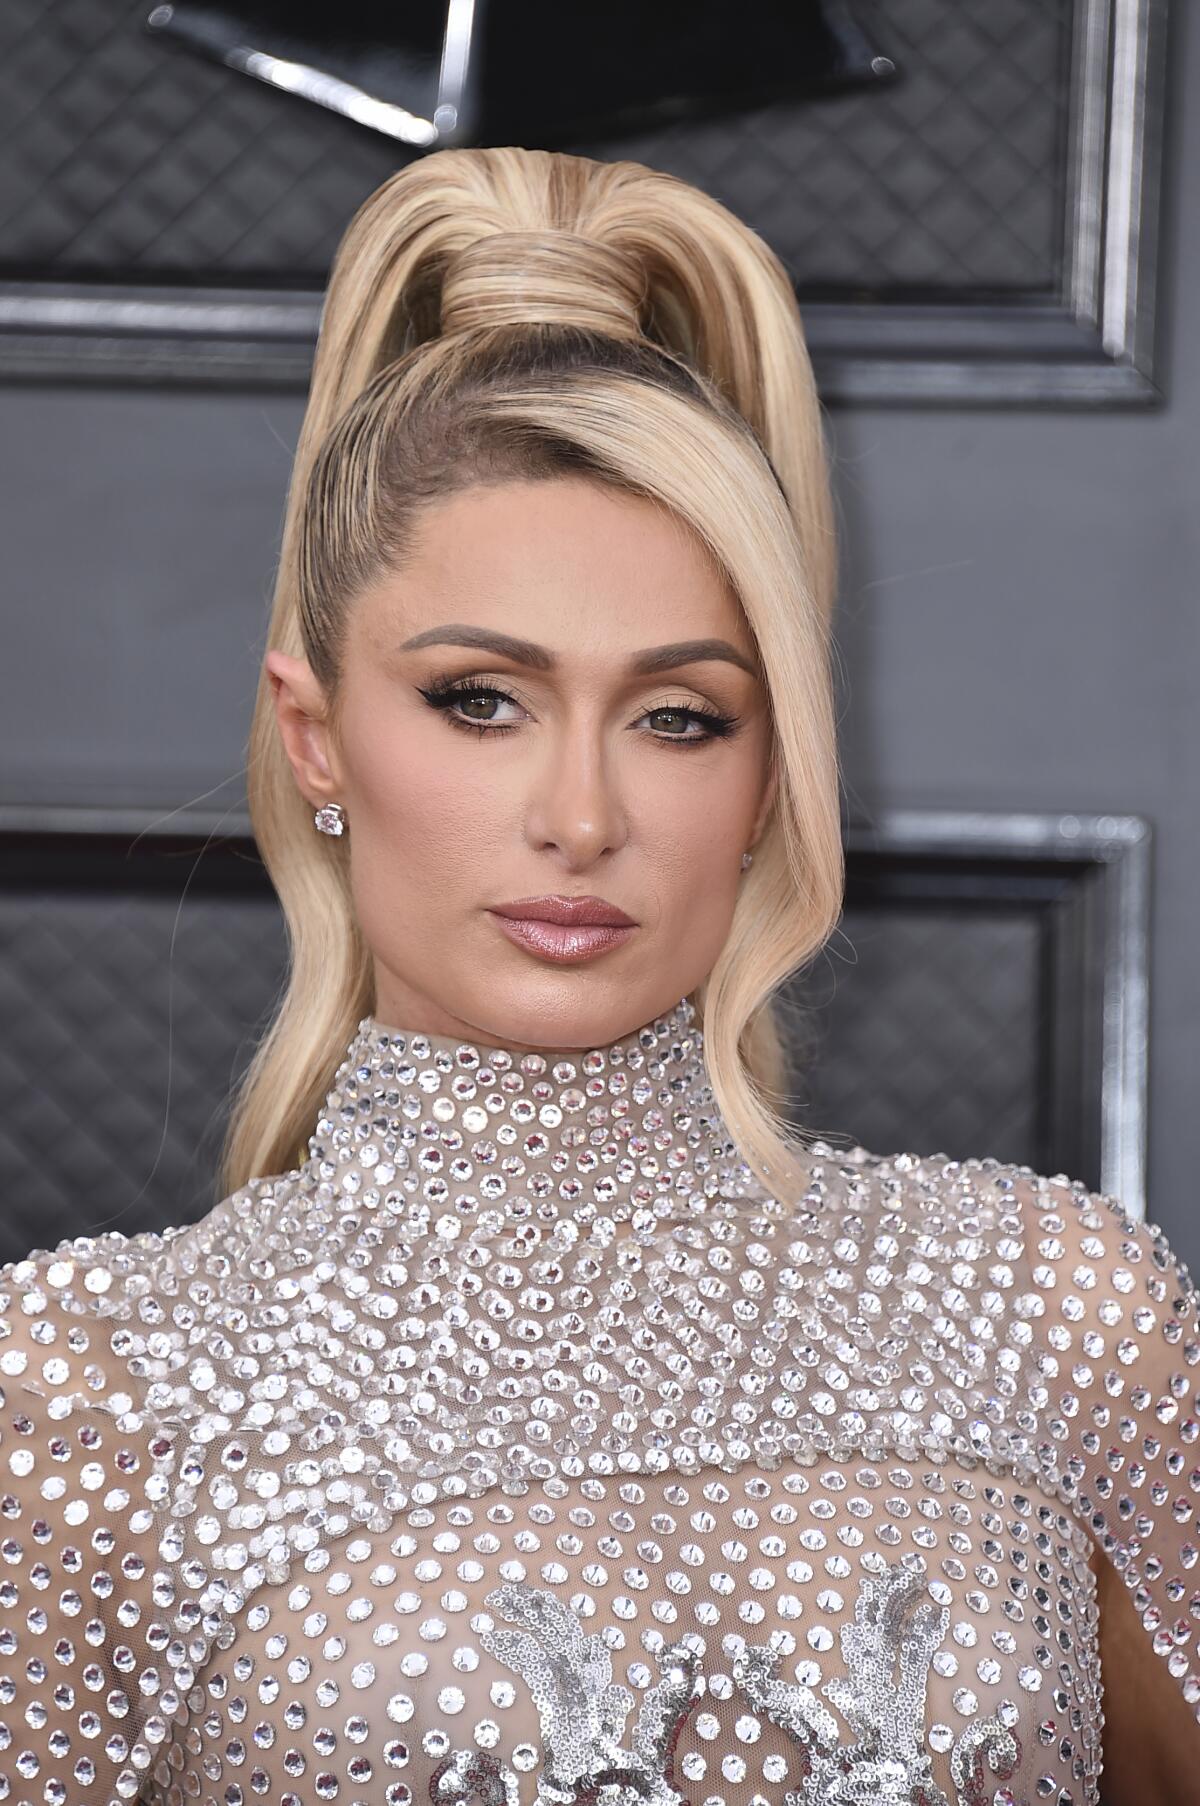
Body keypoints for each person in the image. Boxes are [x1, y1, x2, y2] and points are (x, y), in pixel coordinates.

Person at [0, 146, 1195, 1806]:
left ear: (771, 774)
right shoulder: (89, 1388)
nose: (581, 815)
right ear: (316, 733)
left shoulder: (1058, 1308)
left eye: (680, 715)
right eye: (482, 700)